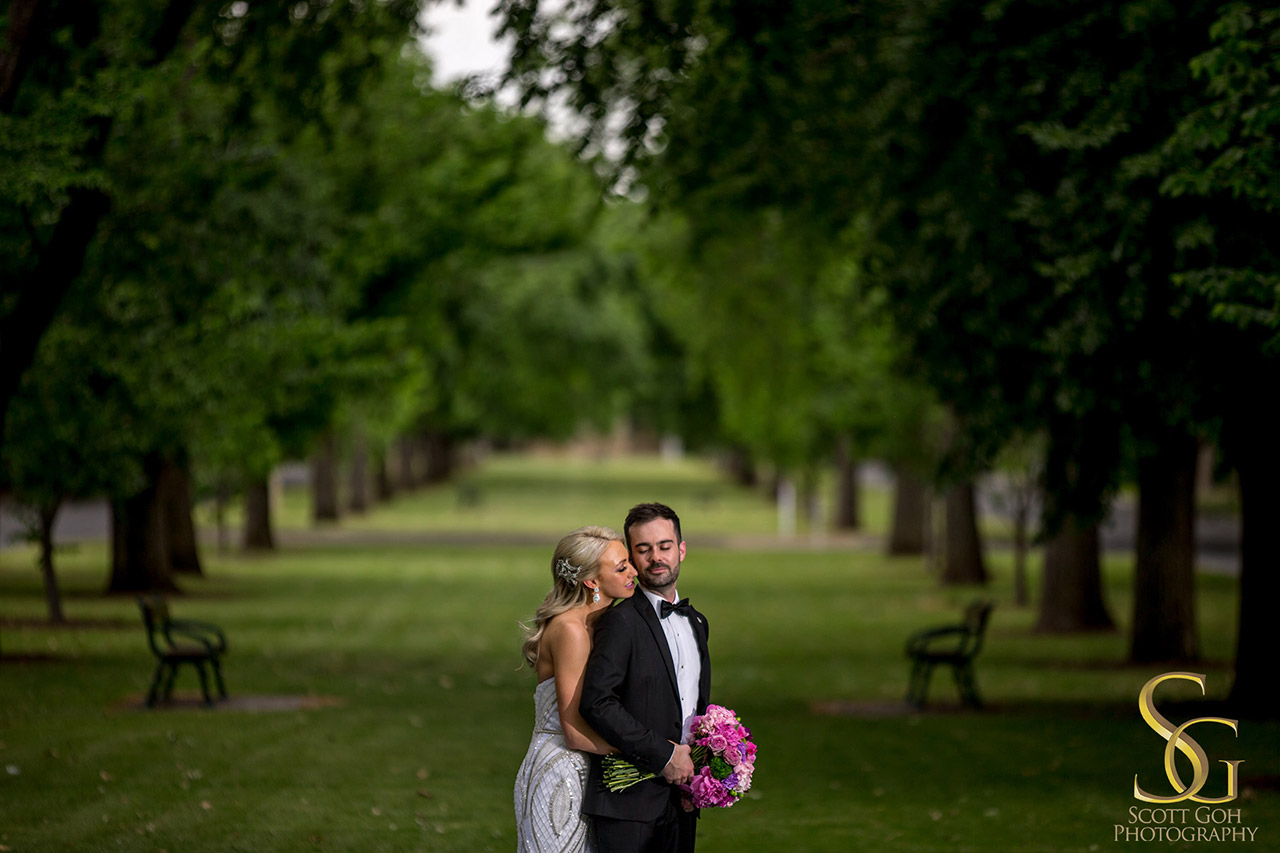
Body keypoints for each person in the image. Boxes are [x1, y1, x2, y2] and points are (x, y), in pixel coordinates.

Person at [579, 502, 711, 853]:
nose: (656, 557)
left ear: (681, 549)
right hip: (628, 804)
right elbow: (597, 702)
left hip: (683, 799)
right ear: (633, 558)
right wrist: (663, 756)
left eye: (665, 546)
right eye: (643, 549)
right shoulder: (620, 622)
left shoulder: (697, 623)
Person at [515, 526, 638, 852]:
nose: (634, 571)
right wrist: (649, 754)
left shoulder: (599, 623)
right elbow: (574, 732)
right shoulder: (571, 630)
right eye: (621, 566)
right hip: (561, 774)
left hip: (588, 771)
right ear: (591, 582)